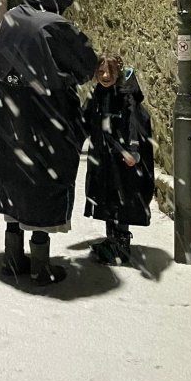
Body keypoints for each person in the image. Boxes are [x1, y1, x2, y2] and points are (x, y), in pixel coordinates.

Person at [0, 0, 99, 285]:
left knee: (14, 185)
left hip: (8, 120)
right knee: (43, 190)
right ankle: (41, 266)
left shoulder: (11, 18)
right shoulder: (54, 26)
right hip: (44, 121)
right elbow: (86, 64)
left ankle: (12, 259)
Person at [83, 54, 155, 265]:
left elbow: (134, 122)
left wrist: (132, 149)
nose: (105, 76)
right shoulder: (98, 93)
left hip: (122, 160)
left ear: (118, 73)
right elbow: (86, 118)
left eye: (109, 72)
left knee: (123, 198)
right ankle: (111, 241)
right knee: (105, 196)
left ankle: (121, 245)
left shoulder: (126, 95)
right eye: (101, 71)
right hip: (103, 157)